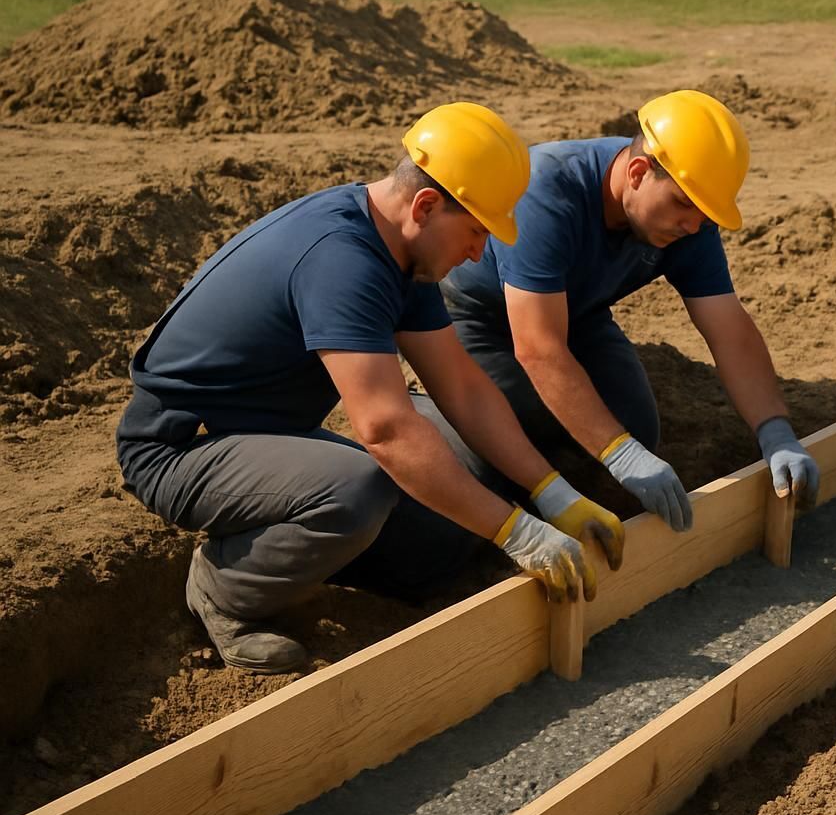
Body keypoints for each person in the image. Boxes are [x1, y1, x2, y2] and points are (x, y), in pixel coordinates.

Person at [116, 102, 624, 675]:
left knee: (444, 524)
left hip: (261, 432)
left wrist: (553, 495)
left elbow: (461, 386)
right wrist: (516, 531)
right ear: (427, 205)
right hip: (182, 447)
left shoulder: (399, 247)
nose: (480, 252)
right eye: (477, 231)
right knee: (357, 489)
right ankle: (225, 591)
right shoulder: (343, 261)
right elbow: (383, 430)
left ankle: (306, 546)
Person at [436, 90, 819, 533]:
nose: (693, 225)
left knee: (633, 427)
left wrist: (775, 431)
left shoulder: (690, 220)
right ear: (638, 172)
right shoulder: (547, 193)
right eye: (683, 205)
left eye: (704, 214)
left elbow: (728, 328)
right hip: (481, 317)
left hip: (579, 313)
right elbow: (539, 347)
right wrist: (621, 455)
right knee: (510, 437)